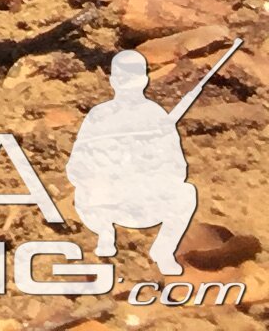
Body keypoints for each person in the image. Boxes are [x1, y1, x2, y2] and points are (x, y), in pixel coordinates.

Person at [68, 47, 204, 272]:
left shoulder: (157, 116)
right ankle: (104, 234)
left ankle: (163, 250)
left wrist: (150, 164)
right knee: (85, 191)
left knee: (186, 193)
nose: (127, 83)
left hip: (145, 198)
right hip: (107, 199)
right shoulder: (99, 116)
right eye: (122, 77)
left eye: (133, 76)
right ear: (113, 81)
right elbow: (76, 166)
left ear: (143, 80)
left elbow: (177, 169)